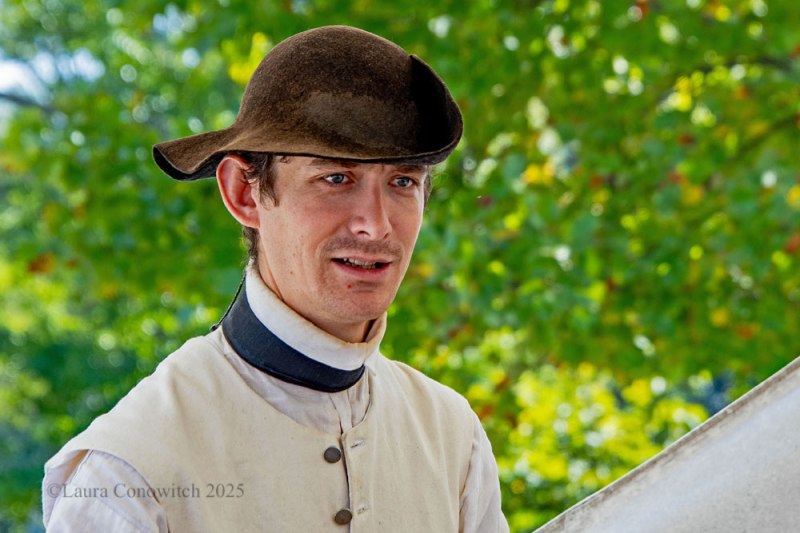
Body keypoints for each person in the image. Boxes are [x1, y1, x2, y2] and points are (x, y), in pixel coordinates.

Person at [42, 25, 508, 532]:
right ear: (245, 193)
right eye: (336, 178)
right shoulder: (130, 474)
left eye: (402, 182)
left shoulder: (451, 435)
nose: (376, 224)